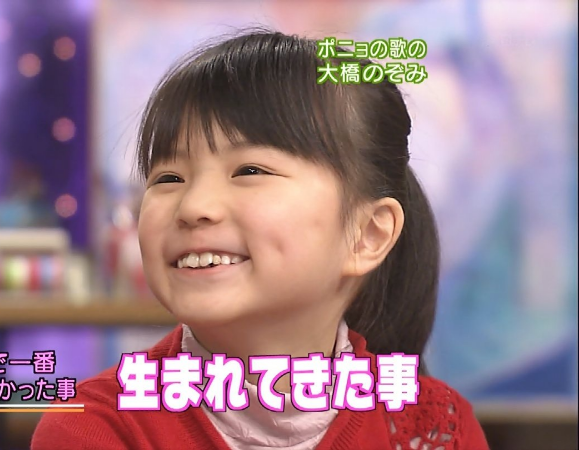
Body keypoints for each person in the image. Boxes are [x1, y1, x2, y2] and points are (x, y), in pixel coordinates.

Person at [32, 30, 490, 450]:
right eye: (168, 178)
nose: (193, 207)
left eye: (249, 170)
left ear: (367, 234)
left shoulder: (433, 429)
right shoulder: (95, 428)